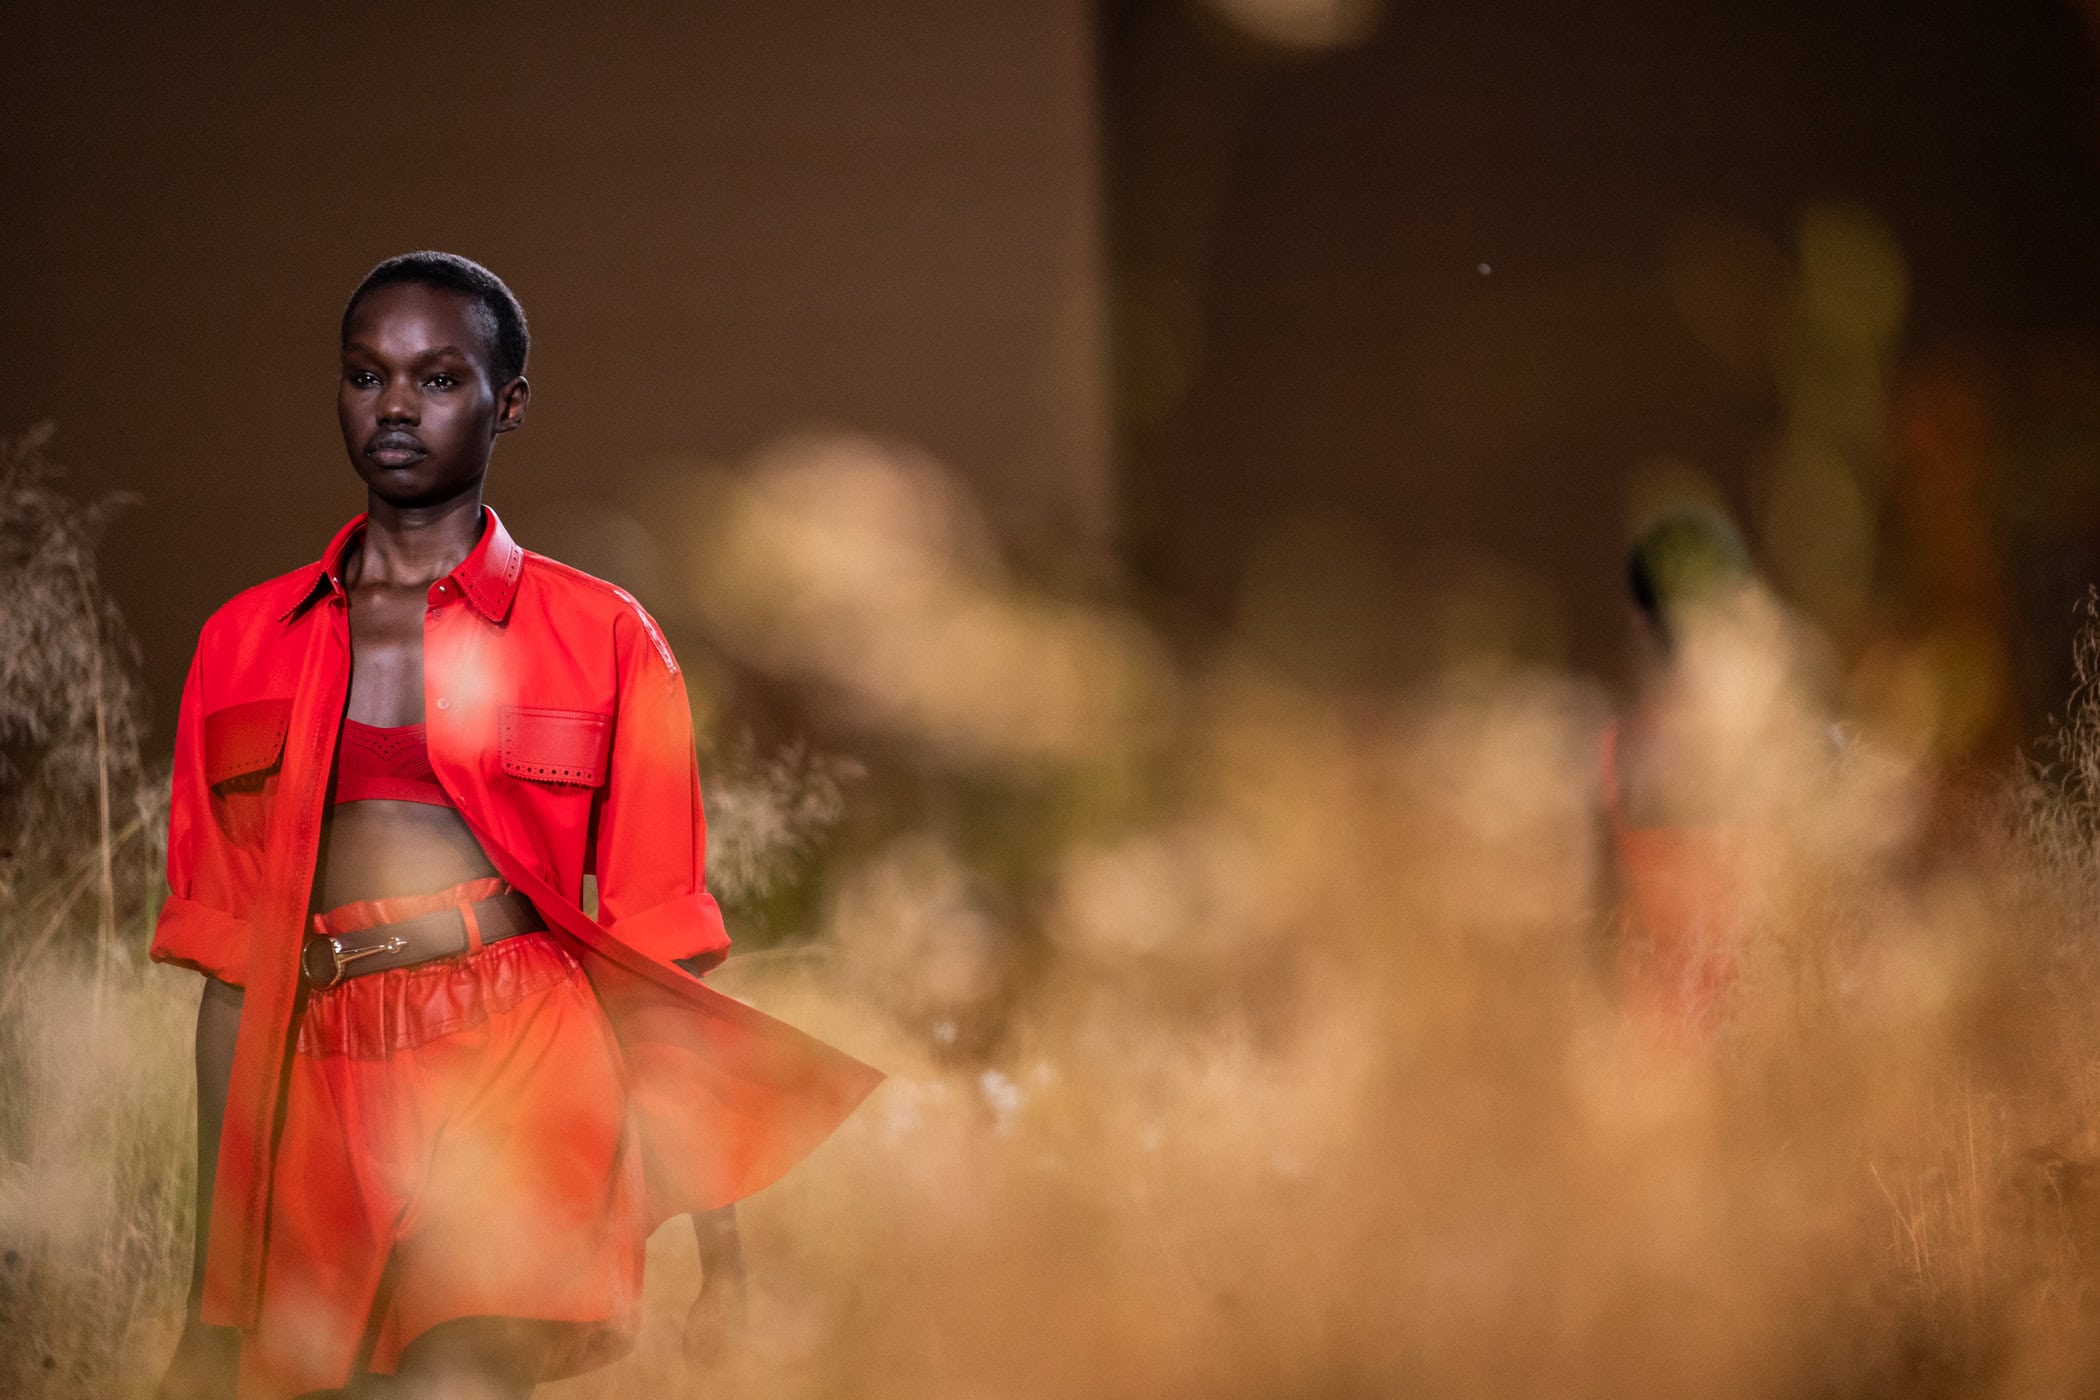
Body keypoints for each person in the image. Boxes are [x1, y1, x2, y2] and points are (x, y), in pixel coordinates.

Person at [150, 252, 882, 1399]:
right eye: (367, 374)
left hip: (524, 1047)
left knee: (457, 1378)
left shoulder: (607, 636)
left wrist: (722, 1250)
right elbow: (230, 976)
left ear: (510, 402)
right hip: (317, 1071)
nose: (396, 404)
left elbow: (659, 944)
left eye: (439, 377)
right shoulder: (241, 642)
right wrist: (213, 1301)